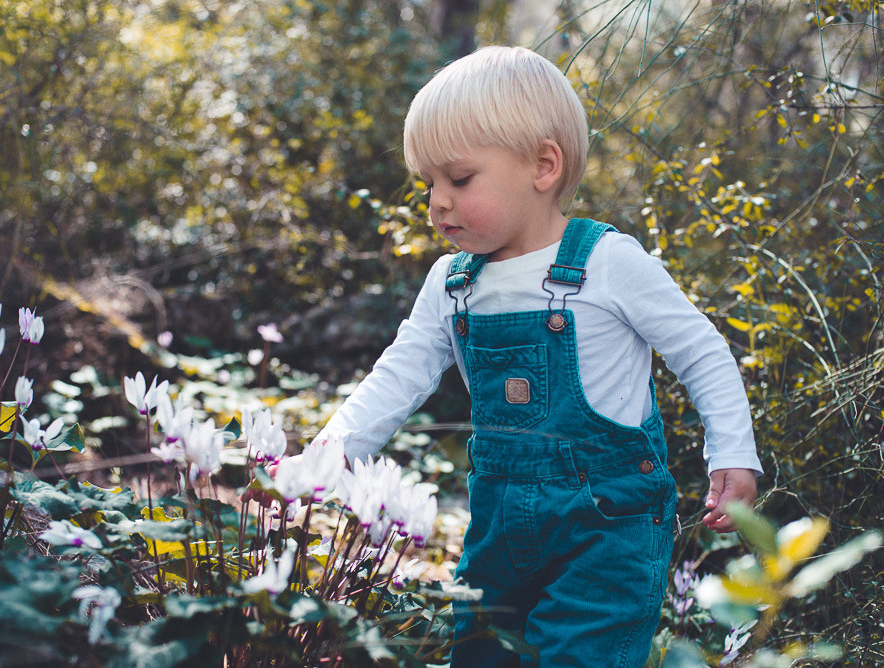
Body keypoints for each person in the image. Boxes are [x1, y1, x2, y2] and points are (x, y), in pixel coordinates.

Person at [314, 45, 762, 667]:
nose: (438, 201)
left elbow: (701, 351)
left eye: (459, 179)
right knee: (480, 655)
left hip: (607, 527)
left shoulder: (608, 262)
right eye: (429, 184)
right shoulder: (452, 282)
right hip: (500, 526)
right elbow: (402, 369)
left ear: (543, 166)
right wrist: (333, 450)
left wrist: (733, 451)